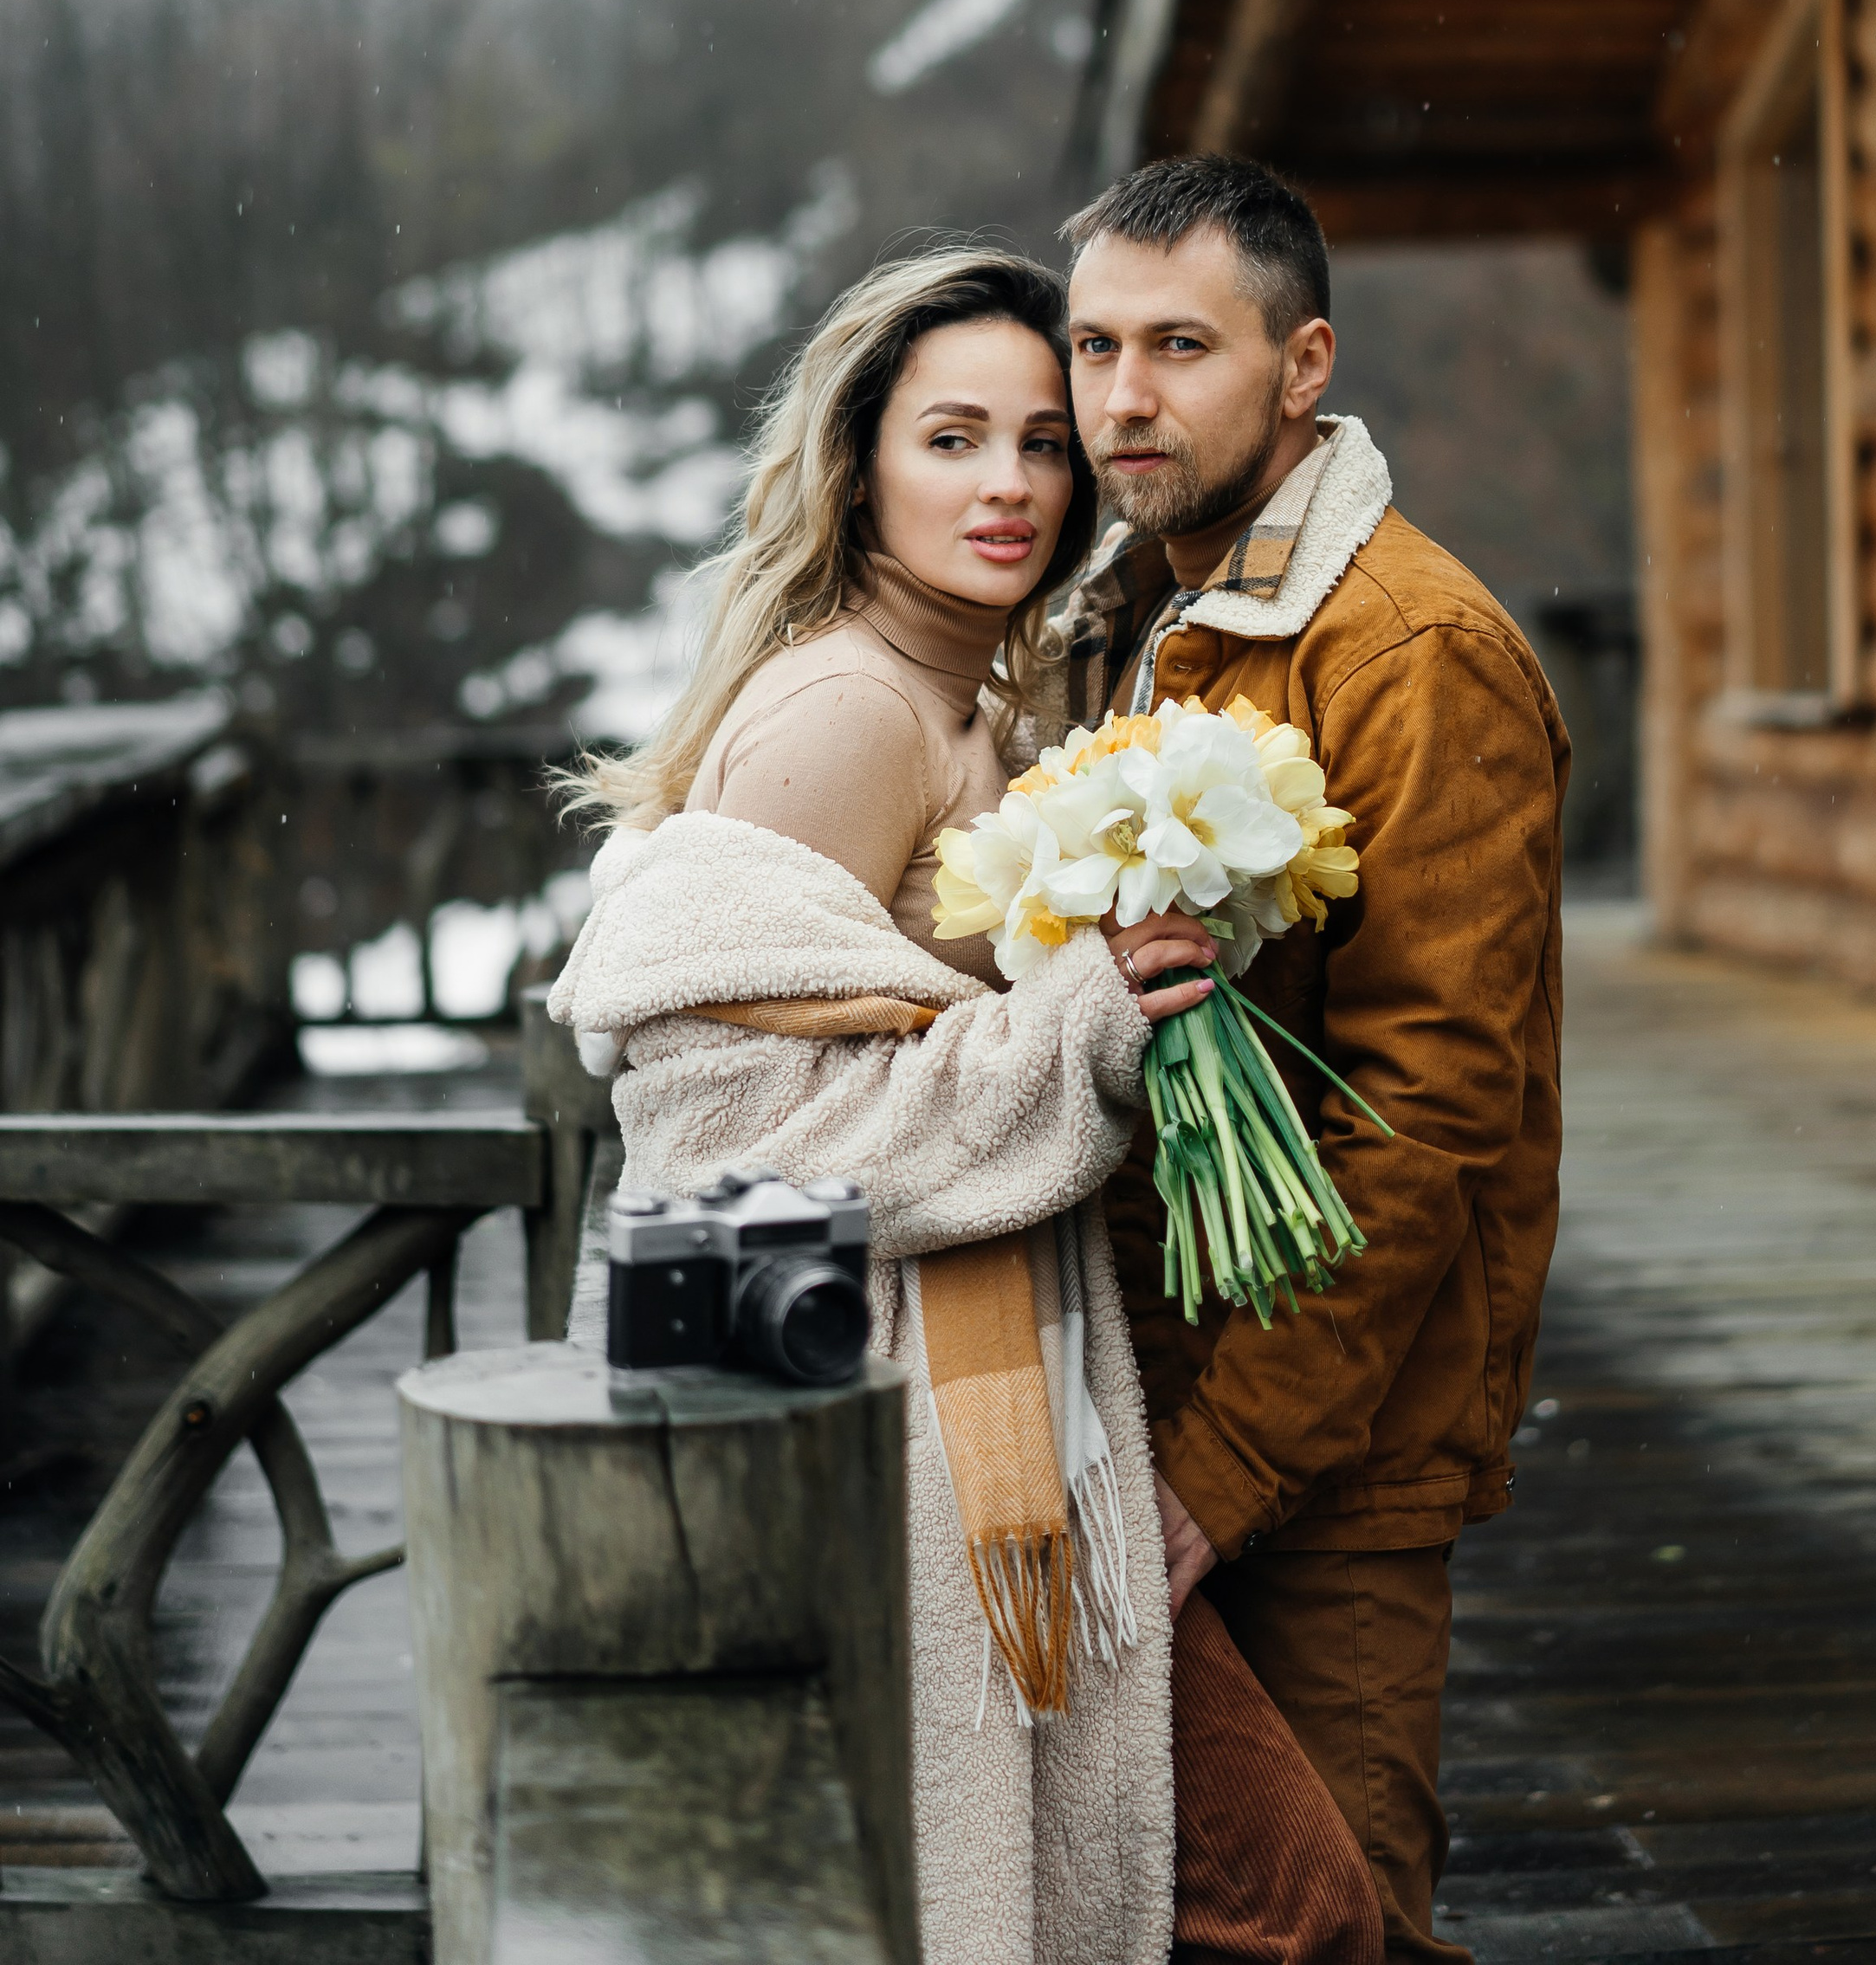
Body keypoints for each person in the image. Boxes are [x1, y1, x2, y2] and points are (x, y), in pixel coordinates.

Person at [550, 249, 1382, 1965]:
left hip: (994, 1402)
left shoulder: (963, 695)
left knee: (1256, 1898)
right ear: (858, 464)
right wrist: (1085, 1022)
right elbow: (711, 1133)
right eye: (950, 439)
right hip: (904, 1447)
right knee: (1292, 1904)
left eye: (1039, 442)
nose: (1007, 485)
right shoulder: (852, 710)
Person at [1058, 158, 1569, 1965]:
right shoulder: (1113, 618)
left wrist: (1226, 1472)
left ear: (1300, 363)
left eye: (1180, 346)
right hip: (1125, 1388)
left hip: (1320, 1451)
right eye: (1095, 345)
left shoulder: (1414, 653)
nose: (1122, 396)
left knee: (1334, 1923)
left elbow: (1432, 1111)